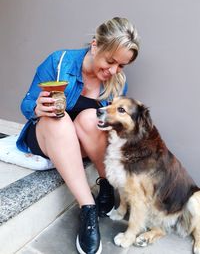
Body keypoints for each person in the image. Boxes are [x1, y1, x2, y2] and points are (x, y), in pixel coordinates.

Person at [16, 17, 140, 254]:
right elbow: (26, 103)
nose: (113, 71)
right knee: (59, 120)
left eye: (121, 66)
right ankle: (88, 208)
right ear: (95, 46)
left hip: (80, 142)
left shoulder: (116, 82)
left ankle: (107, 185)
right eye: (110, 61)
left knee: (90, 118)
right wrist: (36, 108)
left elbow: (113, 130)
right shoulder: (58, 61)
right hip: (47, 136)